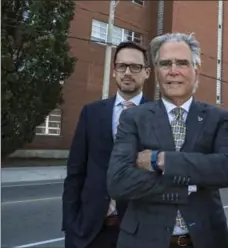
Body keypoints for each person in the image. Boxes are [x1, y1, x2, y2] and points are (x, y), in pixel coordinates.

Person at [107, 32, 228, 248]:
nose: (173, 71)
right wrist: (190, 184)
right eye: (165, 63)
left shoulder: (217, 118)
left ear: (196, 70)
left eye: (182, 63)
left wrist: (160, 160)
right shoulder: (134, 117)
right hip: (144, 241)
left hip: (205, 240)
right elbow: (118, 182)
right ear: (156, 72)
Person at [62, 41, 150, 248]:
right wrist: (71, 226)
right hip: (91, 231)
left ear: (146, 72)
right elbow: (75, 174)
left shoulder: (159, 116)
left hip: (140, 232)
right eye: (122, 66)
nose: (127, 72)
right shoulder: (91, 113)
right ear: (114, 71)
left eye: (135, 67)